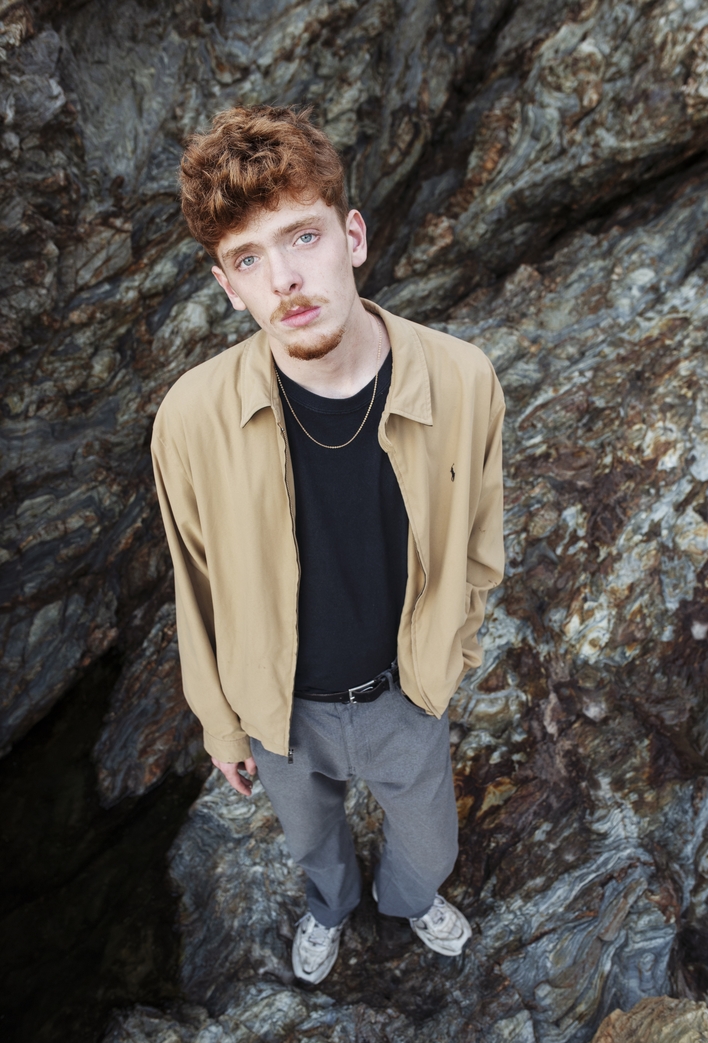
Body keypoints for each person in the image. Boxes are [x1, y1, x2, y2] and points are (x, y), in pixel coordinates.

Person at [151, 104, 505, 984]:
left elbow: (478, 540)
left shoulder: (462, 379)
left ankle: (411, 900)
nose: (283, 279)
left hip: (403, 695)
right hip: (280, 715)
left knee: (430, 844)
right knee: (312, 843)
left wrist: (449, 655)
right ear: (227, 286)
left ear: (351, 236)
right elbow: (193, 586)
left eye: (301, 237)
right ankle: (331, 908)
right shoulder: (189, 417)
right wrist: (221, 723)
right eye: (248, 259)